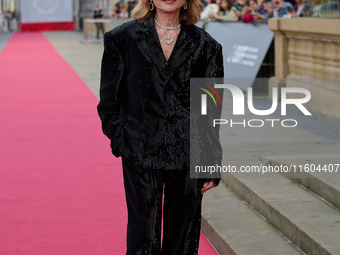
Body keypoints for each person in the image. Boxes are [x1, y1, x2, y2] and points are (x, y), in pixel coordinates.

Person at [96, 0, 224, 252]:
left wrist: (210, 160)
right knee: (142, 236)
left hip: (187, 152)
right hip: (139, 152)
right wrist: (124, 143)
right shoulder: (121, 39)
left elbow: (210, 111)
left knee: (183, 238)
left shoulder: (207, 46)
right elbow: (108, 102)